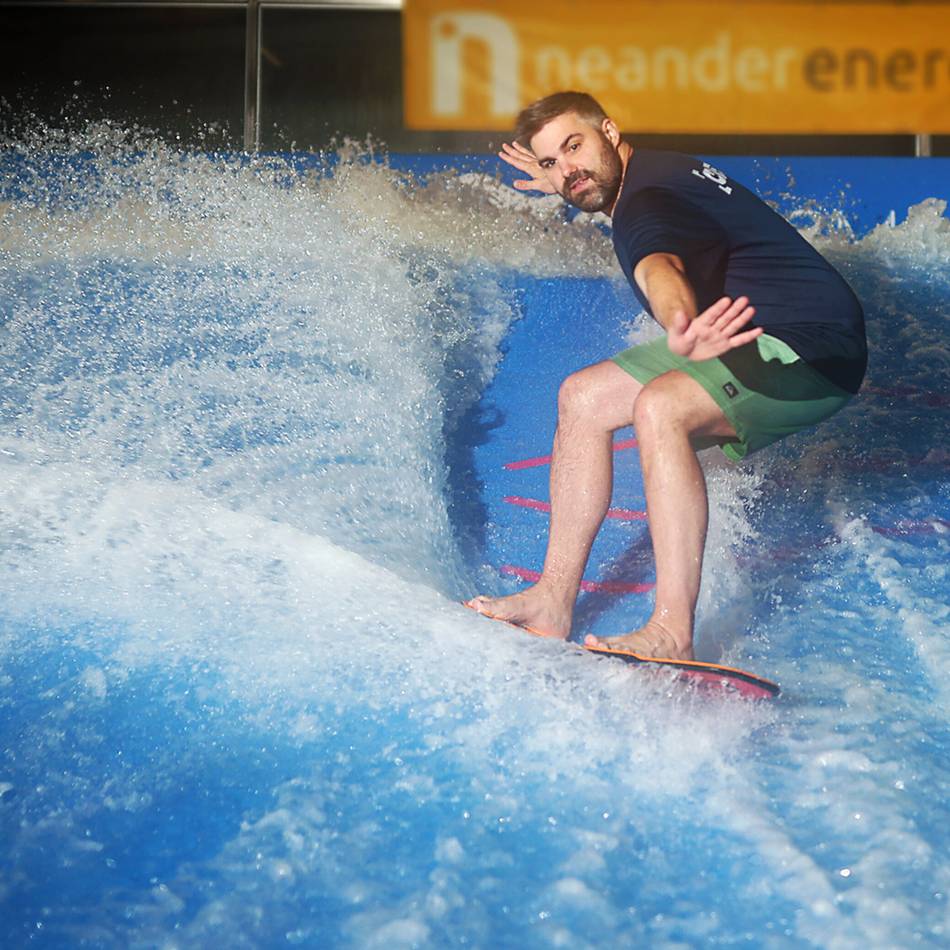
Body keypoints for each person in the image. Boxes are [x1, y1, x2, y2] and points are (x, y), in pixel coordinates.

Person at [466, 91, 867, 661]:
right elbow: (621, 200)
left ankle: (673, 631)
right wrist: (571, 172)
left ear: (610, 130)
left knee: (662, 407)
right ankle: (551, 600)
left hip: (814, 352)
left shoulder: (646, 202)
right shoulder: (649, 170)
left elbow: (661, 264)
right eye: (552, 162)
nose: (568, 171)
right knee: (583, 397)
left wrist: (678, 321)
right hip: (750, 327)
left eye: (575, 146)